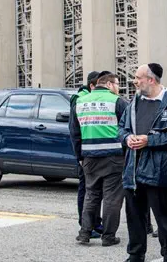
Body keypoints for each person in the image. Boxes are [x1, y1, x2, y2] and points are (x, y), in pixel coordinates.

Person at [119, 63, 167, 262]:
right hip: (133, 171)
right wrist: (127, 138)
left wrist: (150, 141)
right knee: (135, 217)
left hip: (160, 171)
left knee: (164, 218)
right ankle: (136, 255)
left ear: (151, 79)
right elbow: (121, 128)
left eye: (138, 77)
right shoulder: (134, 102)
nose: (134, 81)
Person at [71, 71, 128, 247]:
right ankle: (108, 236)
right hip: (113, 157)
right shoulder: (117, 102)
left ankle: (84, 233)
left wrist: (79, 156)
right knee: (112, 197)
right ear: (109, 84)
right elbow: (127, 128)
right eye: (117, 84)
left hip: (89, 156)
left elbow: (74, 133)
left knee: (91, 195)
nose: (118, 88)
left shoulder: (79, 101)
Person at [69, 71, 104, 239]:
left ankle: (94, 222)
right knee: (87, 190)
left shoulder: (88, 100)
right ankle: (87, 224)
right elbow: (75, 132)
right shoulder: (79, 101)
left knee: (94, 190)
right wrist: (80, 157)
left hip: (93, 152)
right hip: (86, 154)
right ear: (92, 86)